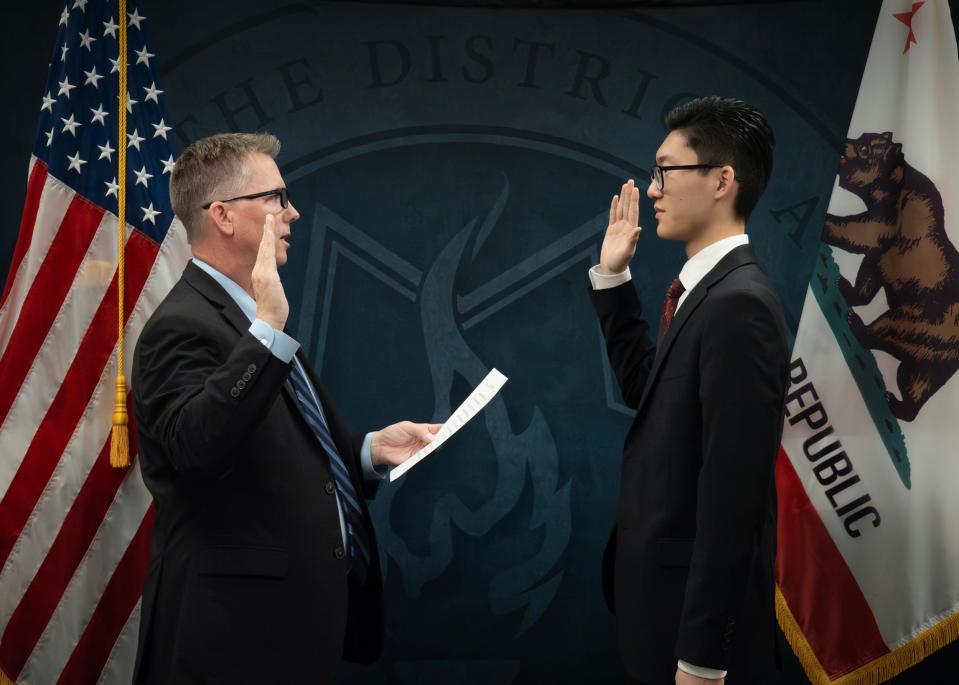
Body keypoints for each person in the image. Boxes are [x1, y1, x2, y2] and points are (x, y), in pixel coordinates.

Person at [131, 132, 439, 684]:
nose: (292, 212)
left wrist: (365, 455)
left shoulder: (249, 315)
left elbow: (264, 449)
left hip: (284, 635)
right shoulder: (184, 325)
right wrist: (268, 332)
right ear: (222, 215)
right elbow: (197, 450)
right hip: (230, 644)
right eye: (275, 197)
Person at [588, 97, 789, 685]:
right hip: (661, 618)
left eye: (664, 171)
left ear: (722, 179)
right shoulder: (707, 295)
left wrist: (703, 657)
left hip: (697, 649)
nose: (652, 190)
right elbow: (646, 393)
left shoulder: (740, 305)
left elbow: (734, 500)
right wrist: (613, 277)